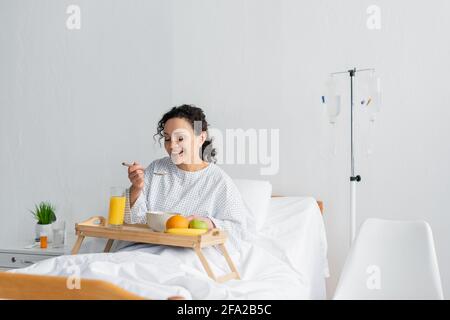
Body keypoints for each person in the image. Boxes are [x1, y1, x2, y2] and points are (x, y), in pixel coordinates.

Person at [125, 104, 249, 247]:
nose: (171, 146)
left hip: (193, 252)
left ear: (201, 138)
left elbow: (238, 231)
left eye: (180, 138)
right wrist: (137, 188)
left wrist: (206, 223)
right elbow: (133, 222)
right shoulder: (156, 169)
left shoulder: (219, 181)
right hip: (149, 246)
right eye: (167, 138)